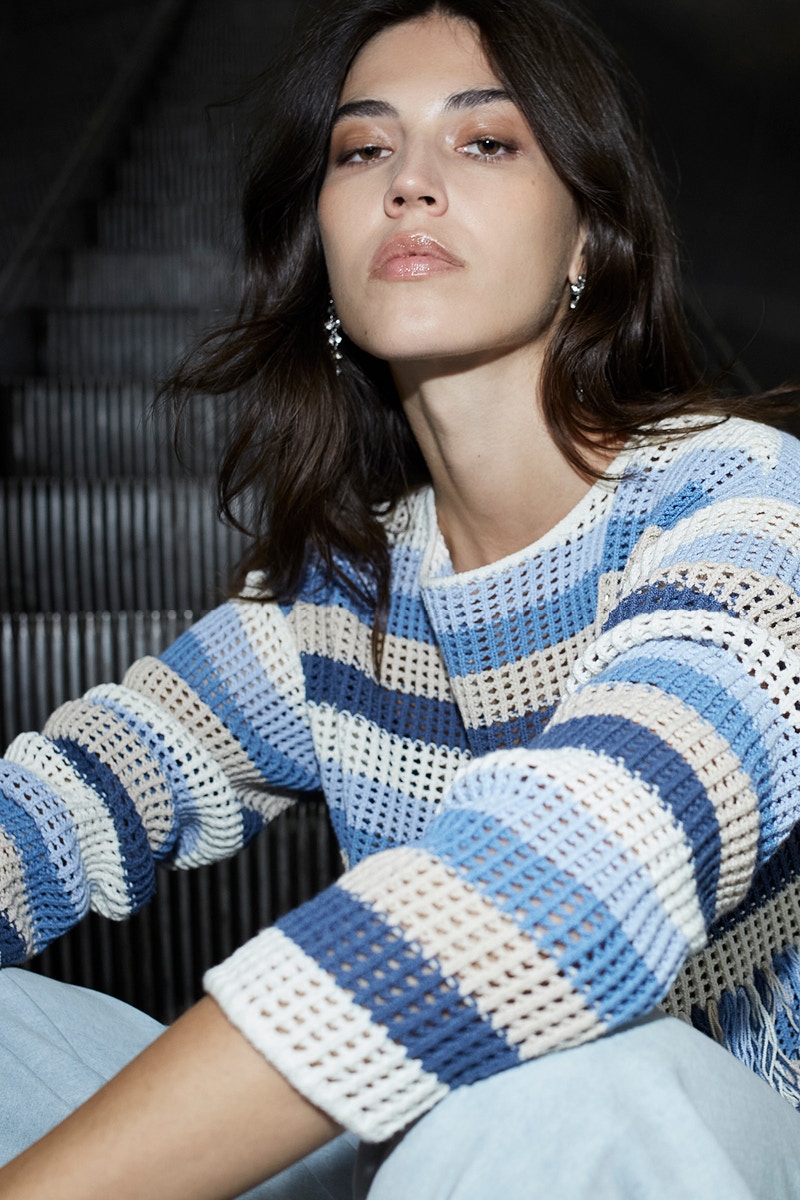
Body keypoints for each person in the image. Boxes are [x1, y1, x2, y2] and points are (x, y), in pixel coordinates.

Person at [2, 0, 800, 1196]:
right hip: (431, 1151)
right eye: (362, 149)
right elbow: (67, 800)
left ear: (589, 233)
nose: (408, 185)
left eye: (485, 142)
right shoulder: (341, 596)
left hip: (700, 1139)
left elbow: (569, 888)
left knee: (571, 1090)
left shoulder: (746, 505)